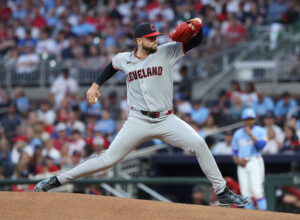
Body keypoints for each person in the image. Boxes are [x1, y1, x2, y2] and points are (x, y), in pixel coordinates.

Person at [34, 20, 250, 207]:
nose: (155, 40)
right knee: (108, 159)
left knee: (199, 144)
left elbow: (195, 41)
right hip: (138, 119)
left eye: (156, 36)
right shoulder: (124, 59)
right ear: (139, 40)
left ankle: (222, 192)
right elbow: (111, 66)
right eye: (150, 38)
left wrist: (198, 26)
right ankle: (57, 181)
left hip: (166, 119)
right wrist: (95, 84)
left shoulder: (167, 51)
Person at [232, 108, 267, 210]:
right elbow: (234, 152)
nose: (249, 121)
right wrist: (237, 161)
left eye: (251, 118)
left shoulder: (260, 131)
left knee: (257, 191)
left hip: (255, 161)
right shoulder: (237, 134)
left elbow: (262, 145)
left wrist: (250, 134)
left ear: (254, 119)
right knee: (245, 194)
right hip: (242, 164)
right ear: (243, 120)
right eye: (247, 119)